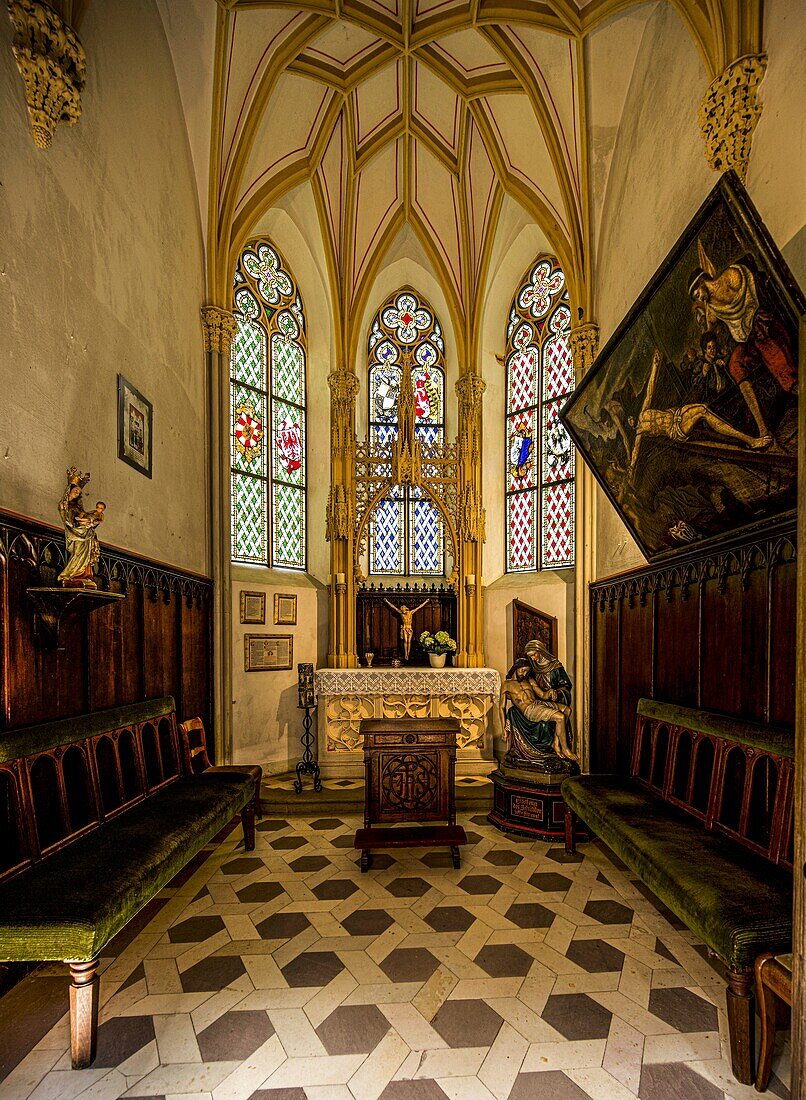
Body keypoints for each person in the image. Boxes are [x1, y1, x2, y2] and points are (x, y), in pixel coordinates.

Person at [689, 247, 798, 443]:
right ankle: (763, 429)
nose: (699, 298)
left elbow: (757, 293)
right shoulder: (710, 310)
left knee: (780, 365)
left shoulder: (731, 277)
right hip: (748, 339)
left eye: (697, 294)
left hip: (762, 325)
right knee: (735, 364)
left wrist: (756, 318)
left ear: (702, 282)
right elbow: (708, 329)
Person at [500, 645, 576, 765]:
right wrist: (504, 729)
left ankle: (556, 742)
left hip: (537, 704)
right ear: (516, 668)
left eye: (526, 671)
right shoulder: (506, 685)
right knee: (560, 717)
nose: (524, 673)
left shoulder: (530, 680)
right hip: (529, 710)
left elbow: (543, 695)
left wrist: (551, 692)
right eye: (522, 670)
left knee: (567, 710)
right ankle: (565, 749)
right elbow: (502, 708)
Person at [57, 471, 105, 588]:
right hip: (75, 532)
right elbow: (68, 520)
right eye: (75, 491)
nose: (77, 494)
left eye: (79, 492)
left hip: (85, 531)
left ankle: (83, 575)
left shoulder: (77, 506)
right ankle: (68, 575)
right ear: (69, 490)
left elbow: (85, 515)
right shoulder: (64, 505)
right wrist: (81, 523)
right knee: (78, 554)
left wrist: (91, 522)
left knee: (86, 555)